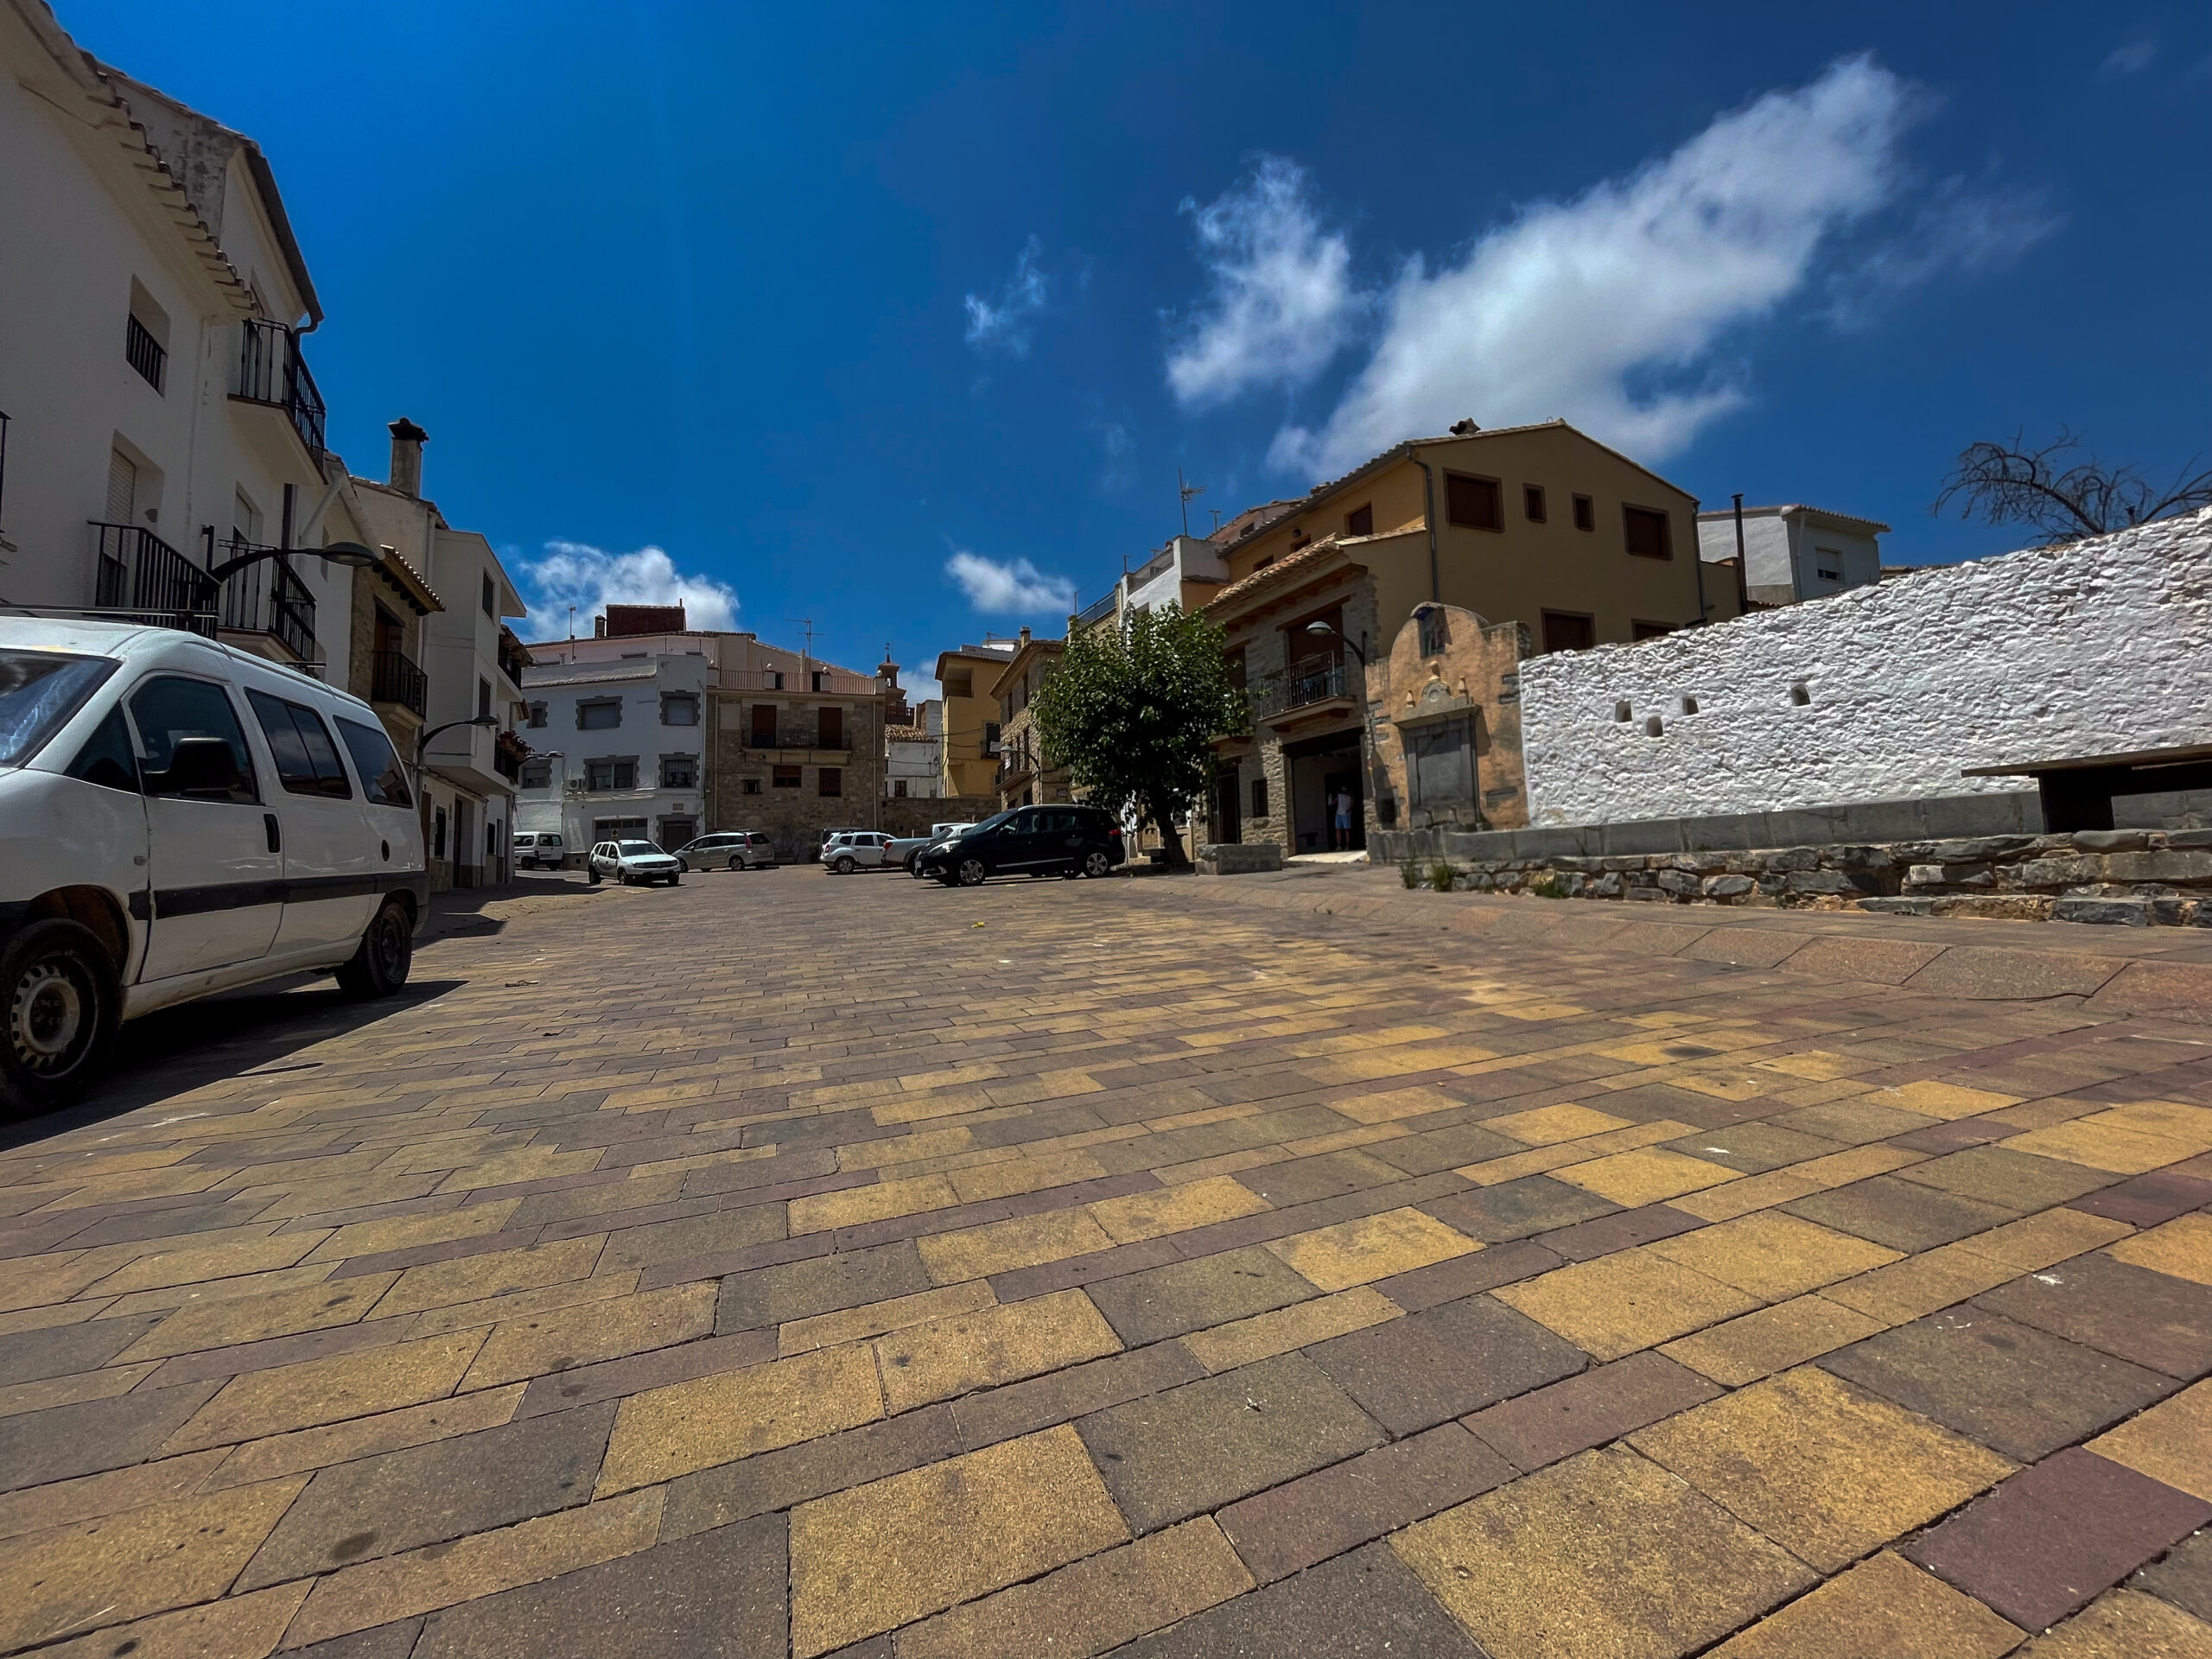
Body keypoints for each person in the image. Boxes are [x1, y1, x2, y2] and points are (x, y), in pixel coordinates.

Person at [1332, 786, 1353, 850]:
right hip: (1339, 813)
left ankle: (1347, 846)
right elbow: (1335, 801)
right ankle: (1339, 845)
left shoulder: (1350, 795)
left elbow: (1352, 804)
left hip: (1345, 813)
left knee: (1346, 830)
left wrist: (1348, 810)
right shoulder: (1339, 794)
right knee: (1338, 830)